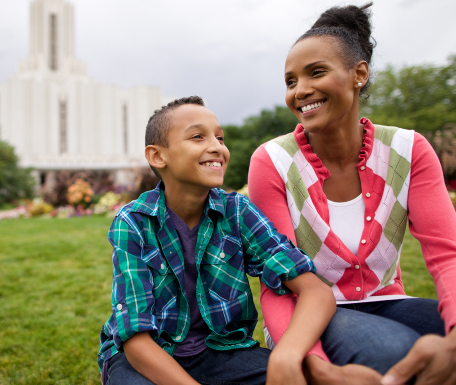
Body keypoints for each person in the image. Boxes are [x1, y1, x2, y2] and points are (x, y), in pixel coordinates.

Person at [248, 3, 456, 385]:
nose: (300, 91)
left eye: (316, 73)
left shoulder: (409, 149)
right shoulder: (273, 161)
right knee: (390, 351)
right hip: (304, 317)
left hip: (388, 301)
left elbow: (451, 256)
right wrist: (312, 362)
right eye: (290, 80)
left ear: (358, 74)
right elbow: (278, 283)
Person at [98, 96, 336, 385]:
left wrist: (289, 355)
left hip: (223, 352)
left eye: (220, 138)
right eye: (198, 136)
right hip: (148, 357)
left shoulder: (238, 212)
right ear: (158, 156)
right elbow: (136, 340)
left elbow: (314, 290)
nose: (217, 146)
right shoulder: (133, 222)